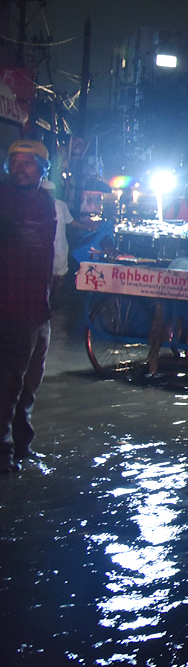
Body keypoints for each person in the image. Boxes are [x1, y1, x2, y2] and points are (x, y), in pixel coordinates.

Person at [0, 140, 57, 473]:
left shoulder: (46, 202)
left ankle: (22, 447)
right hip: (10, 309)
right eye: (14, 163)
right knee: (7, 386)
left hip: (40, 310)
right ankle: (4, 457)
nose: (19, 169)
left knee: (29, 387)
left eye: (28, 163)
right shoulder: (3, 200)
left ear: (42, 170)